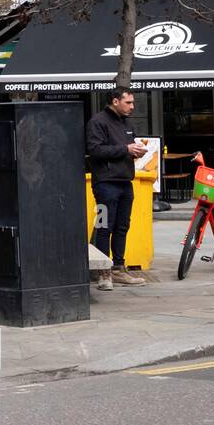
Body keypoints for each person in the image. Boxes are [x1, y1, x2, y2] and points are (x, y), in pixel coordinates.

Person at [86, 87, 148, 291]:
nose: (132, 106)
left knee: (122, 226)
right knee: (104, 227)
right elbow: (94, 150)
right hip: (104, 184)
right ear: (115, 101)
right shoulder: (98, 122)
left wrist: (135, 152)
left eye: (132, 102)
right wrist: (125, 149)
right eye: (128, 102)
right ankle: (104, 273)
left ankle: (119, 269)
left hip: (124, 182)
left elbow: (124, 150)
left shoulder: (127, 123)